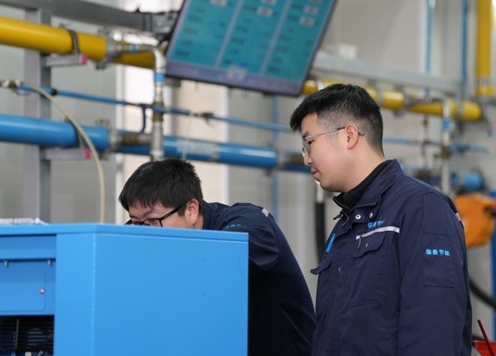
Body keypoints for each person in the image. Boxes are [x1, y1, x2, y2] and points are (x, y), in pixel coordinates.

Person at [289, 84, 472, 356]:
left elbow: (433, 331)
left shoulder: (420, 207)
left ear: (349, 135)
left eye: (309, 143)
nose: (306, 159)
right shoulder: (346, 225)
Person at [118, 158, 316, 356]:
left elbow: (225, 260)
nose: (144, 233)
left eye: (152, 221)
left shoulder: (249, 222)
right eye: (136, 223)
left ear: (191, 210)